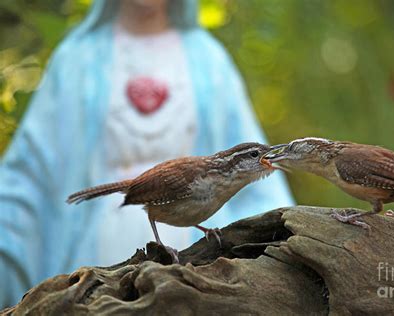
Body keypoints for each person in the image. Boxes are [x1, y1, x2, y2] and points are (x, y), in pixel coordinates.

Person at [0, 0, 294, 307]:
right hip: (95, 250)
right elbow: (29, 175)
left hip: (195, 265)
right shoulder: (77, 58)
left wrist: (286, 243)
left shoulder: (210, 60)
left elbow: (257, 182)